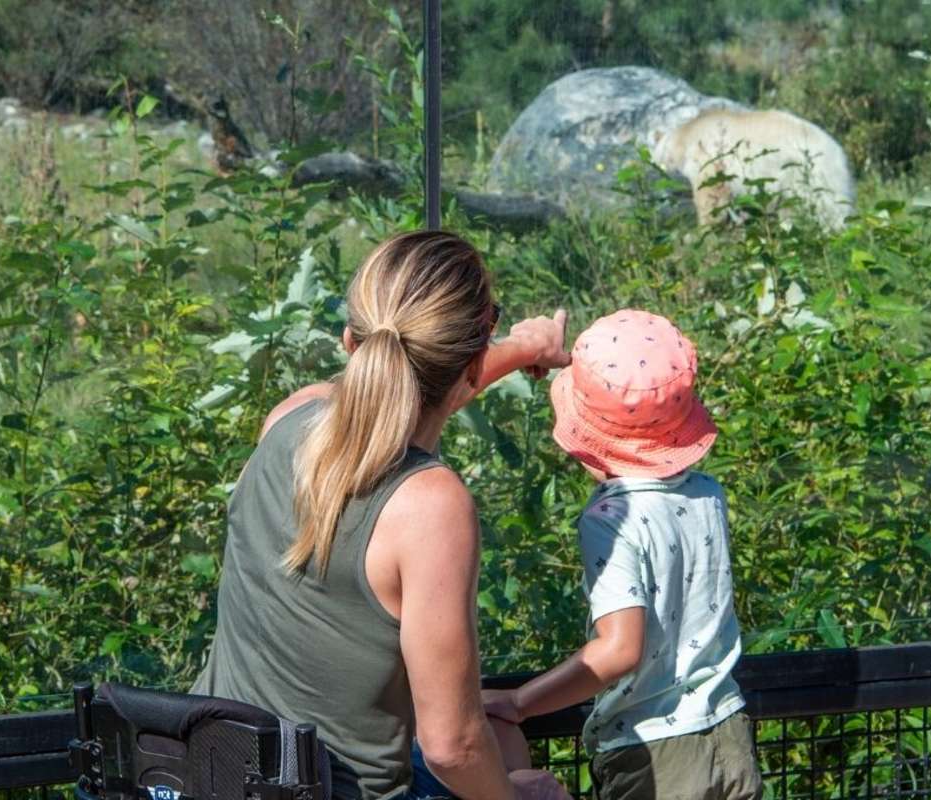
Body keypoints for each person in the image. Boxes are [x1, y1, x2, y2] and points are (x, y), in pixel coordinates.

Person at [192, 230, 572, 800]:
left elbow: (388, 397)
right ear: (470, 362)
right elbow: (453, 747)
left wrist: (520, 347)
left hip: (209, 774)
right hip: (335, 792)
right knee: (533, 783)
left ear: (350, 341)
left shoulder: (288, 419)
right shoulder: (430, 507)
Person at [482, 309, 763, 800]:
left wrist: (519, 703)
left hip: (653, 753)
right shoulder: (707, 494)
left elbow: (620, 649)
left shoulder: (610, 518)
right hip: (730, 732)